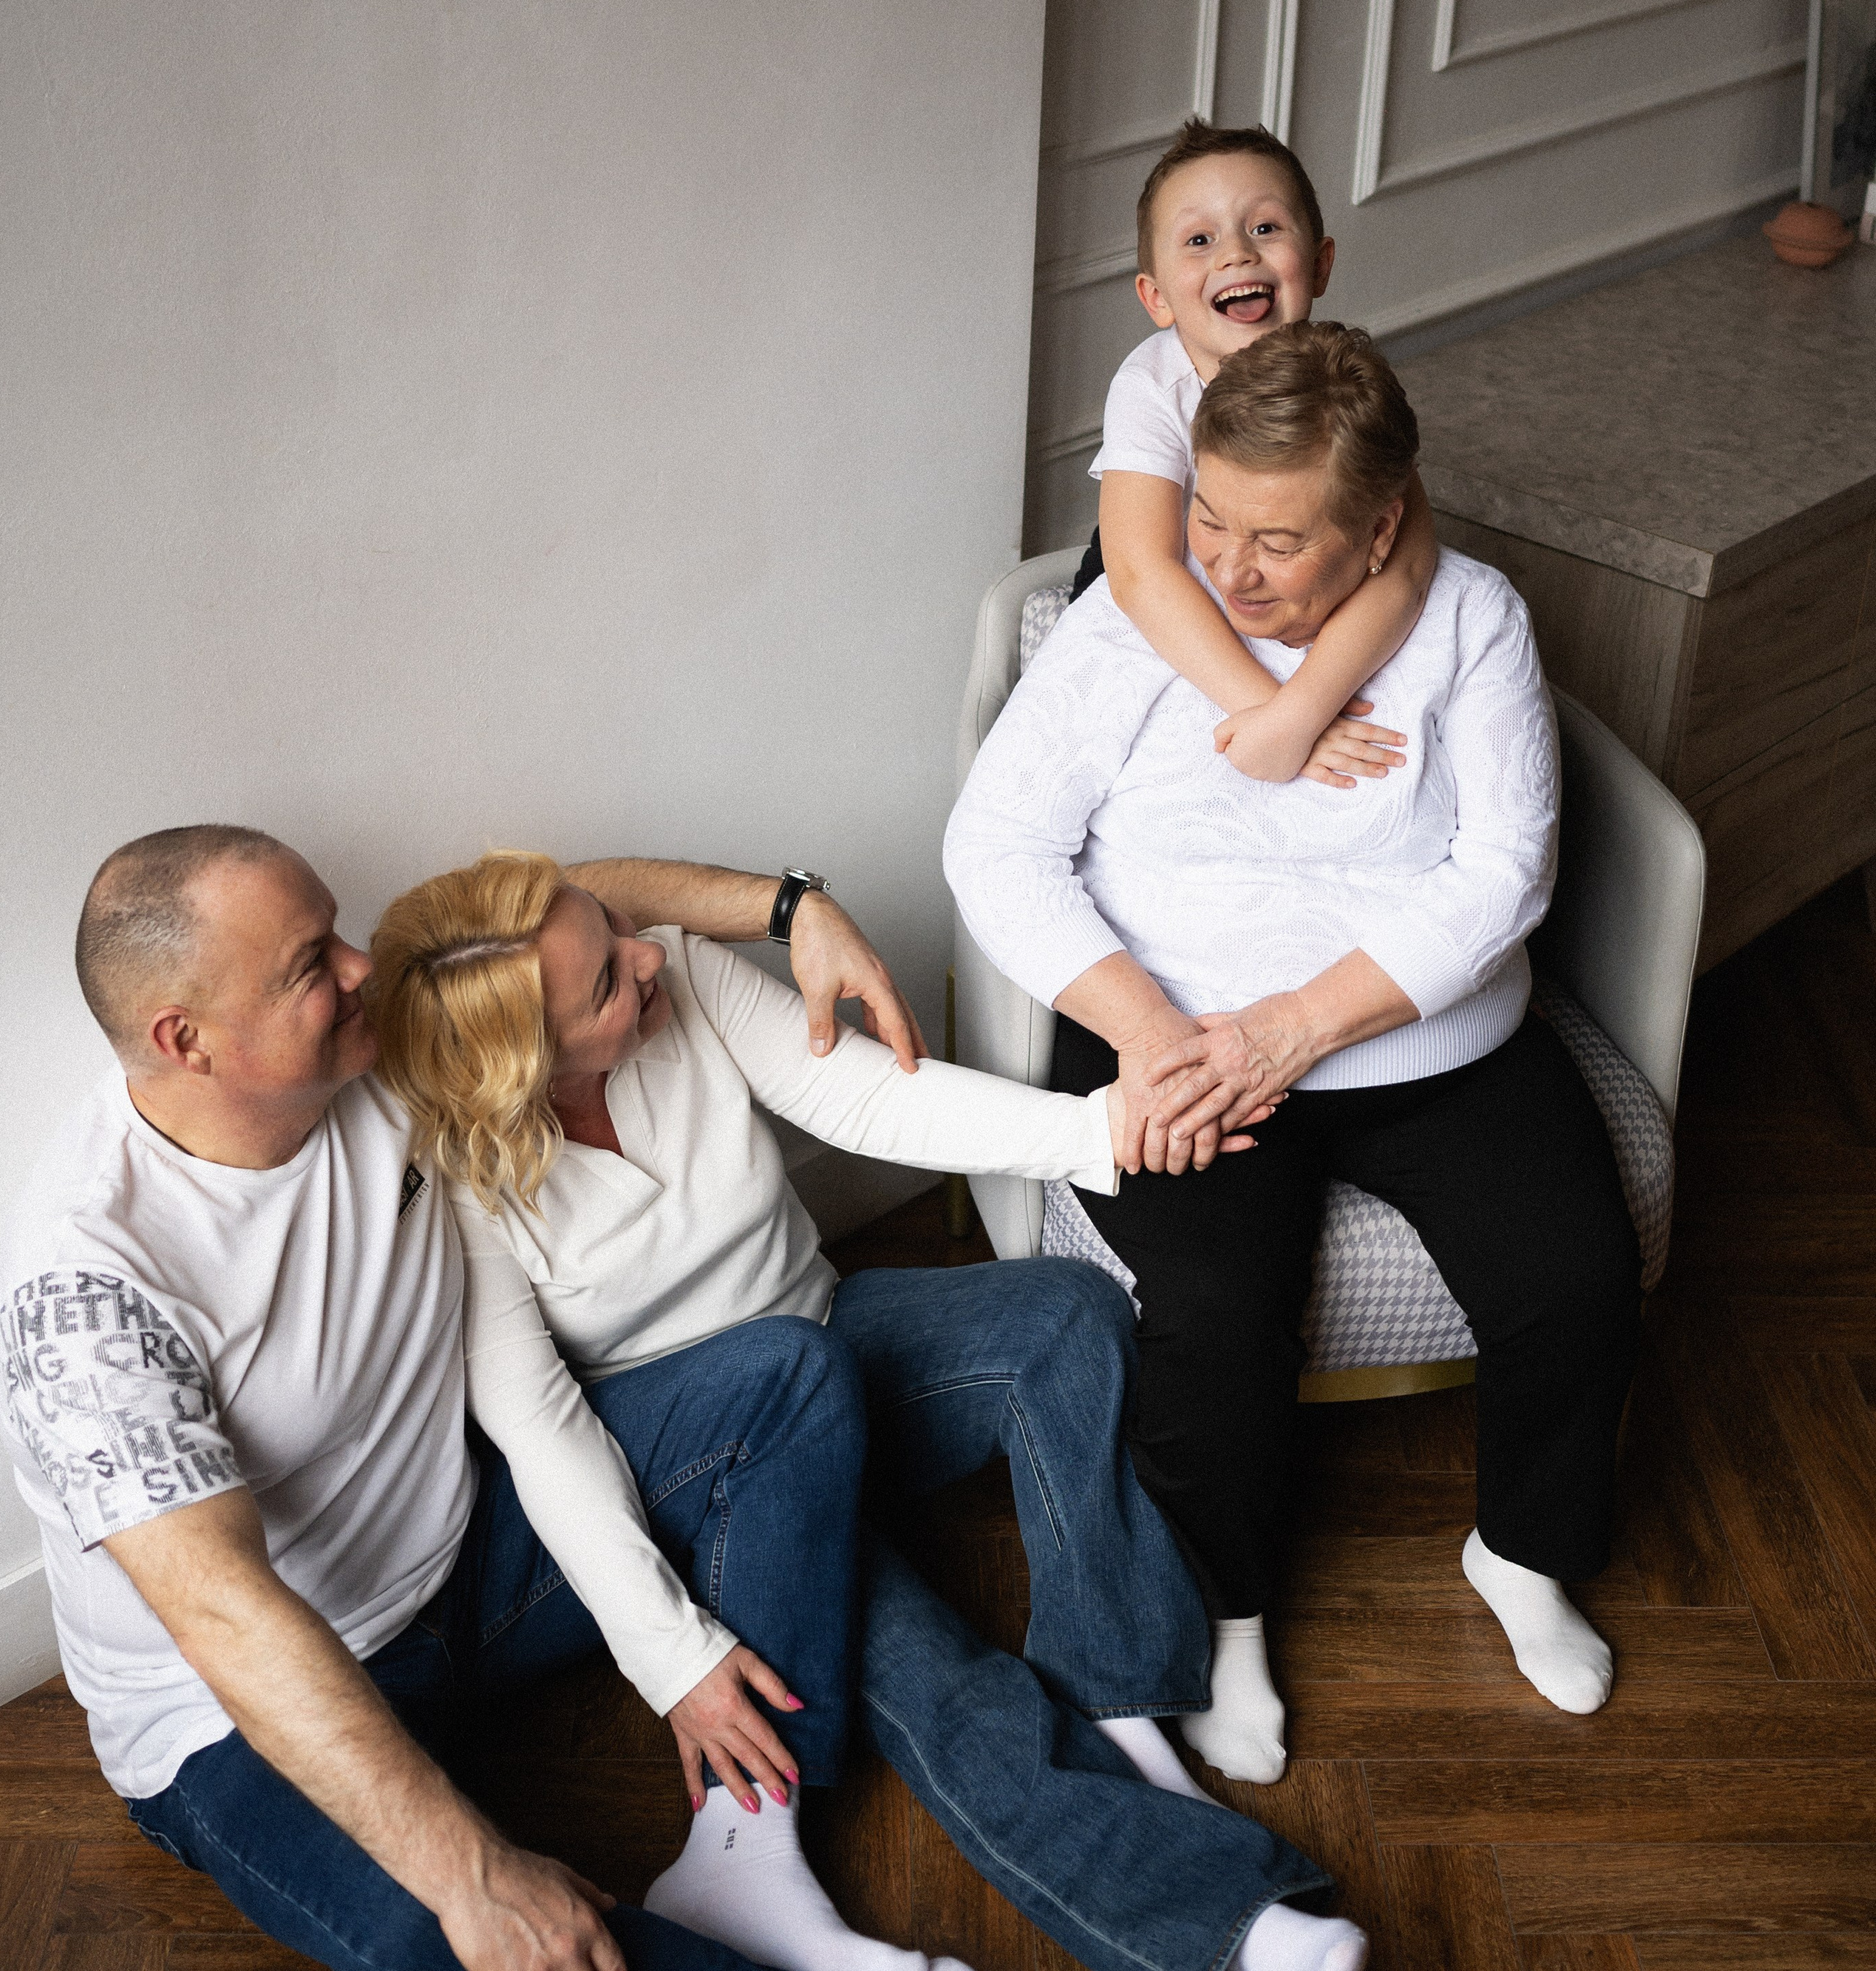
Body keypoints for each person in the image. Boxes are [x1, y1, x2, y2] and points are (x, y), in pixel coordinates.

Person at [0, 826, 1351, 1971]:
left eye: (343, 939)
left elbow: (576, 906)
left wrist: (795, 906)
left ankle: (931, 1786)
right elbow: (240, 1615)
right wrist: (492, 1853)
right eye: (312, 966)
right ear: (189, 1038)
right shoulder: (92, 1291)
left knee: (819, 1371)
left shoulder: (369, 1061)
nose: (357, 972)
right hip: (248, 1701)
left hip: (486, 1559)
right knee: (489, 1939)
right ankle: (1148, 1907)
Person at [369, 851, 1370, 1971]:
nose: (648, 954)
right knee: (945, 1679)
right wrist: (675, 1658)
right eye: (607, 978)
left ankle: (1123, 1698)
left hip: (829, 1340)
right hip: (722, 1488)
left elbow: (865, 1092)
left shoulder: (678, 980)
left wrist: (1102, 1127)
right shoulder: (455, 1180)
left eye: (616, 929)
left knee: (1069, 1313)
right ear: (527, 1063)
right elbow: (543, 1433)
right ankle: (1231, 1929)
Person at [946, 322, 1644, 1790]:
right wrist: (1149, 1033)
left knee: (1576, 1266)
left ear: (1381, 526)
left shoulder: (1472, 620)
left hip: (1418, 1032)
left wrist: (1295, 1028)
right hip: (1178, 1031)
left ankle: (1524, 1553)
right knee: (1211, 1301)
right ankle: (1227, 1604)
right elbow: (996, 843)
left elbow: (1508, 870)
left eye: (1277, 537)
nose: (1228, 565)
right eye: (1206, 515)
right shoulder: (1131, 623)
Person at [1074, 121, 1438, 788]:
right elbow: (1140, 575)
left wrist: (1304, 710)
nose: (1236, 255)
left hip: (1288, 577)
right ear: (1156, 297)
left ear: (1321, 264)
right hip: (1161, 574)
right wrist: (1267, 711)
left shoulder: (1340, 383)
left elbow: (1407, 563)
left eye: (1265, 229)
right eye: (1199, 239)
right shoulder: (1152, 384)